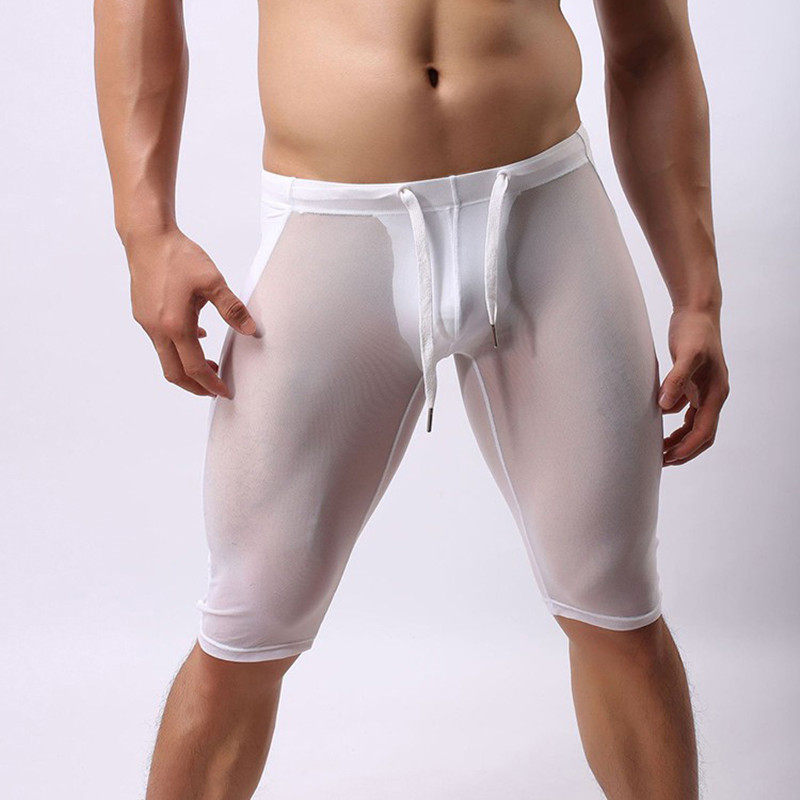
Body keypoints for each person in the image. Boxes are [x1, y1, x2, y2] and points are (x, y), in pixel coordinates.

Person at [94, 1, 729, 797]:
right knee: (248, 619)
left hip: (548, 215)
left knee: (617, 604)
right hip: (334, 229)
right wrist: (145, 231)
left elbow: (650, 45)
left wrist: (698, 294)